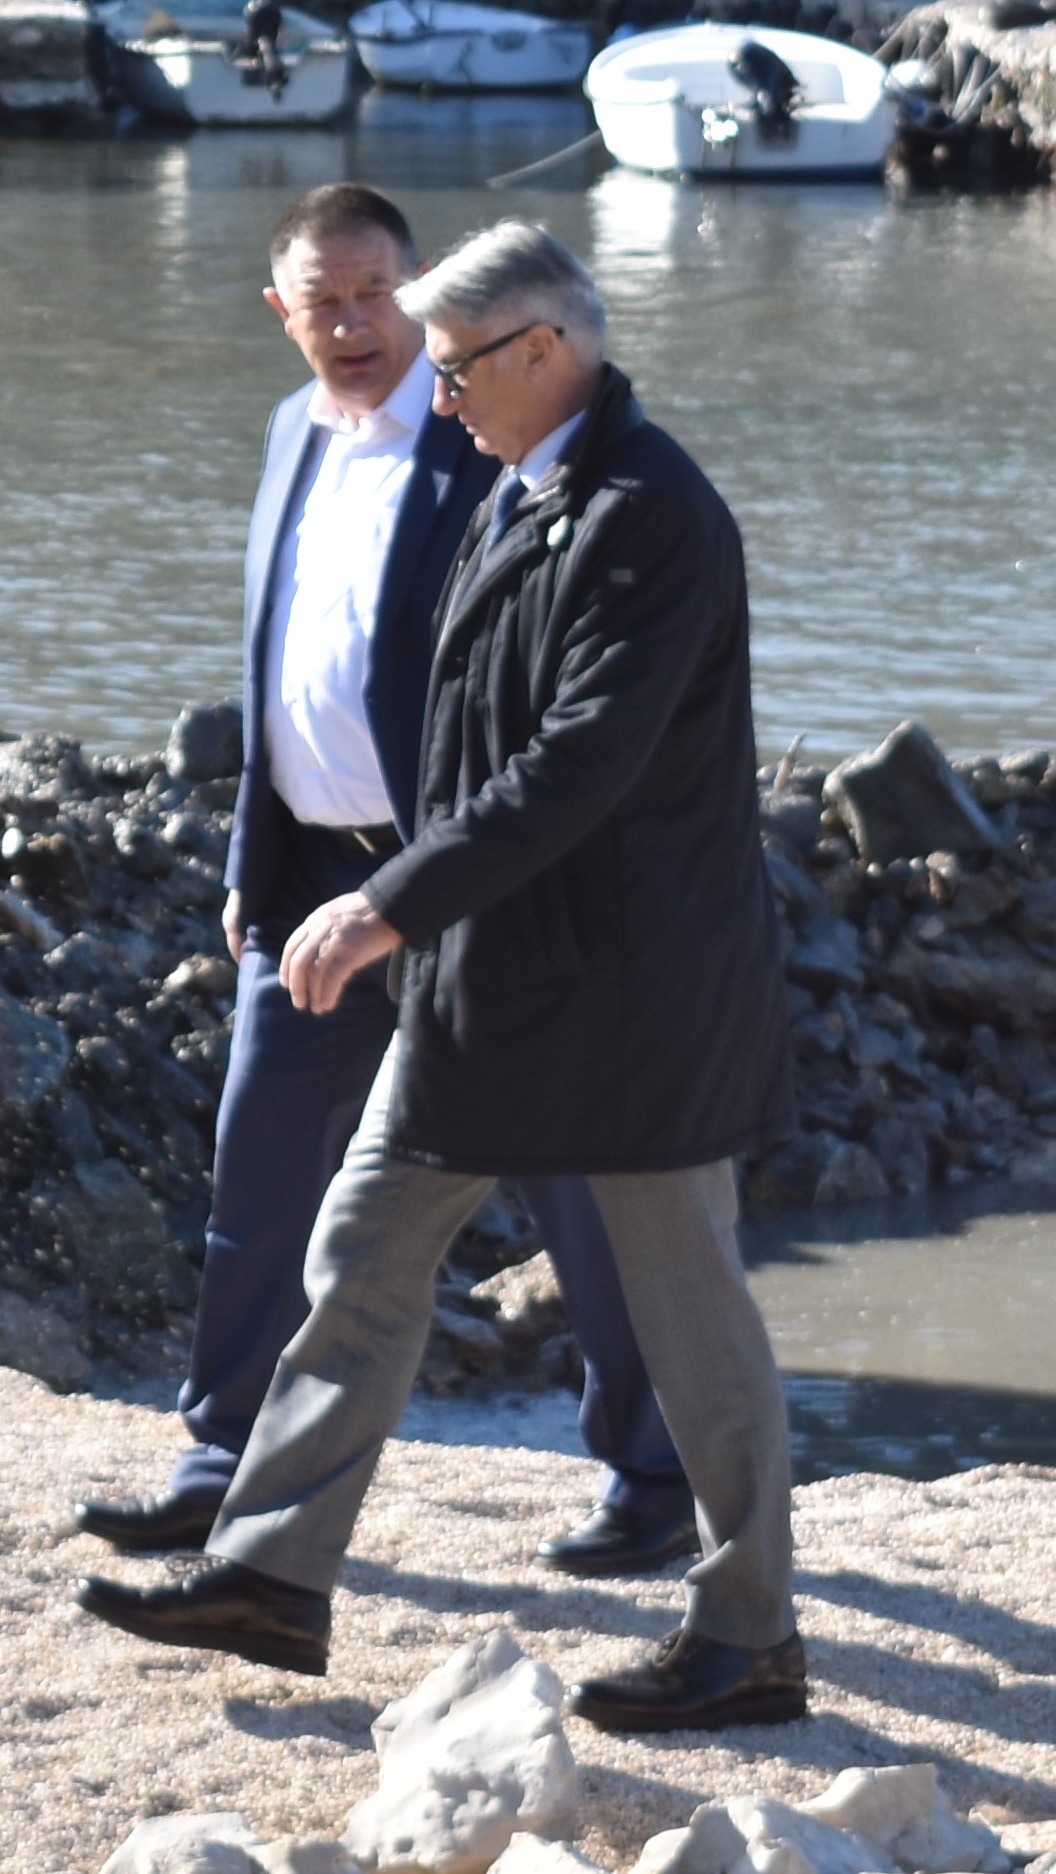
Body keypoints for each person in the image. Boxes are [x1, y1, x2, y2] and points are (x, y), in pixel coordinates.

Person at [75, 220, 810, 1734]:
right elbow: (457, 741)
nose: (435, 386)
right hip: (484, 975)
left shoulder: (649, 514)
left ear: (544, 350)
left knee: (692, 1318)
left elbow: (575, 767)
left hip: (630, 991)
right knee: (354, 1253)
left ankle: (751, 1635)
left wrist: (380, 904)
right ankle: (271, 1572)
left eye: (458, 361)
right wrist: (345, 885)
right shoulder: (517, 479)